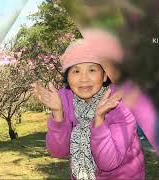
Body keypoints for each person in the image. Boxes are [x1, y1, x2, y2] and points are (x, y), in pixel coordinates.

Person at [33, 29, 147, 179]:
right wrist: (58, 114)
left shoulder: (119, 103)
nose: (84, 79)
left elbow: (109, 163)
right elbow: (58, 152)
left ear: (105, 74)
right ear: (67, 77)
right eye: (76, 71)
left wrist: (99, 121)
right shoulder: (65, 100)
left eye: (92, 70)